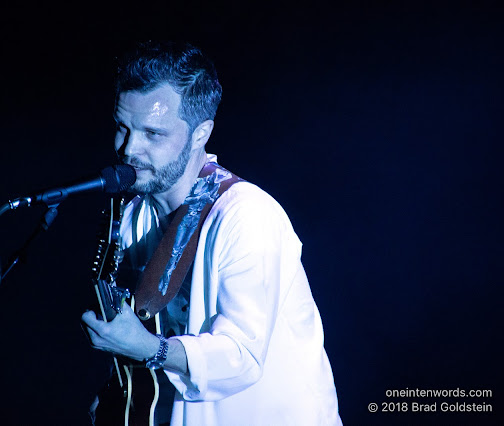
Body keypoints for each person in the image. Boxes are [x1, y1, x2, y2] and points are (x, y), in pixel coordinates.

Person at [81, 40, 342, 426]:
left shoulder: (247, 215)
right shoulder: (134, 214)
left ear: (201, 132)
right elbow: (144, 325)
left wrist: (148, 349)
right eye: (123, 127)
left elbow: (241, 356)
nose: (129, 149)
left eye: (153, 134)